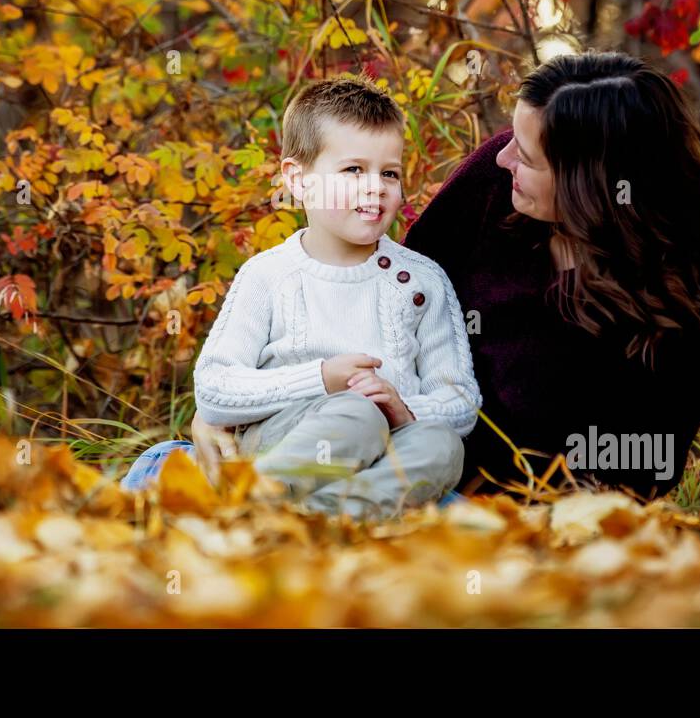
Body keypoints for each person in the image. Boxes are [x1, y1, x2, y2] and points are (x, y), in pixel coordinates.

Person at [399, 51, 700, 509]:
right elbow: (396, 299)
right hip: (436, 490)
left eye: (526, 156)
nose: (504, 159)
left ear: (590, 184)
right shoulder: (491, 189)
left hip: (590, 533)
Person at [125, 77, 481, 519]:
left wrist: (401, 405)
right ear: (298, 179)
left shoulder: (421, 281)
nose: (376, 187)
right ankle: (258, 501)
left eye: (389, 172)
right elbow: (215, 389)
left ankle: (326, 519)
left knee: (443, 444)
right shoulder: (269, 275)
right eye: (353, 170)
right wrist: (321, 379)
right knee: (356, 415)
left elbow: (460, 403)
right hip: (289, 440)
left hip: (385, 452)